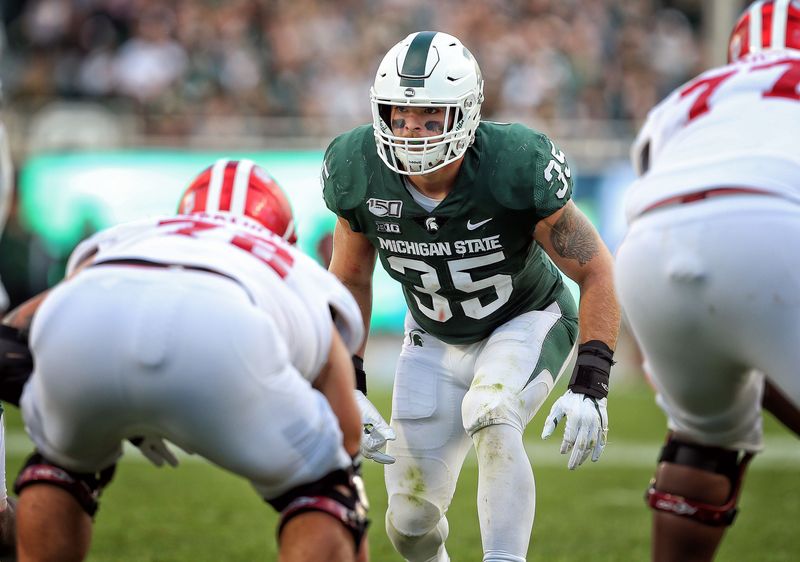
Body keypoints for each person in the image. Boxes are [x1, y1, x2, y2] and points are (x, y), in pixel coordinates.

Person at [322, 31, 620, 562]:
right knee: (409, 524)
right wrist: (348, 377)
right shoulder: (356, 166)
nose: (411, 131)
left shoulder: (513, 162)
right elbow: (348, 280)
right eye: (400, 115)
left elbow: (596, 269)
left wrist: (592, 381)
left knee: (492, 408)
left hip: (526, 317)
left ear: (465, 115)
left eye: (430, 117)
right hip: (433, 333)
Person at [7, 159, 369, 562]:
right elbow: (346, 433)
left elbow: (13, 338)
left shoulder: (140, 233)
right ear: (284, 235)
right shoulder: (295, 267)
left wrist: (92, 410)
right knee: (327, 492)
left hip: (89, 312)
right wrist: (345, 492)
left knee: (62, 466)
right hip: (226, 330)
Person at [615, 2, 800, 561]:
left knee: (703, 442)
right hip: (775, 226)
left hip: (651, 253)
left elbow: (655, 185)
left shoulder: (692, 96)